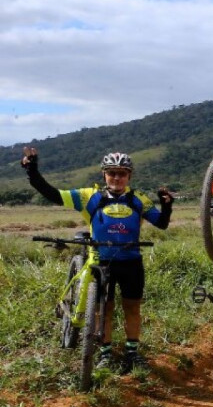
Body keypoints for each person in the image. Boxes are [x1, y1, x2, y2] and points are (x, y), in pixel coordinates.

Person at [21, 147, 172, 373]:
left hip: (131, 262)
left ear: (129, 176)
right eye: (112, 173)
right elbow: (52, 193)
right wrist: (32, 171)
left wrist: (167, 205)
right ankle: (105, 353)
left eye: (122, 173)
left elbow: (161, 223)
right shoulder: (89, 197)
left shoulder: (138, 199)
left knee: (132, 308)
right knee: (104, 310)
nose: (117, 178)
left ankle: (132, 353)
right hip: (102, 262)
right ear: (104, 175)